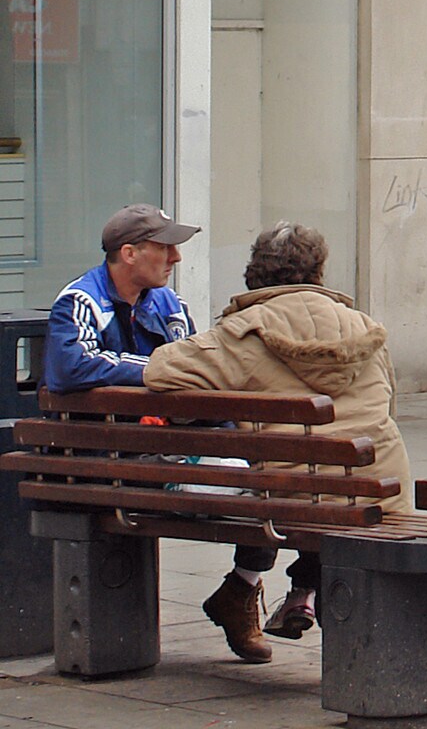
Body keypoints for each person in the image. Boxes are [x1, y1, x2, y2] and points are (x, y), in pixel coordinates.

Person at [142, 222, 411, 664]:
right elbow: (390, 406)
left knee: (299, 487)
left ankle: (269, 591)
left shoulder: (243, 332)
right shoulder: (364, 327)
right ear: (318, 272)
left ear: (255, 274)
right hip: (382, 488)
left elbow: (160, 371)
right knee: (329, 487)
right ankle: (313, 602)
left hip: (292, 493)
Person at [45, 202, 198, 391]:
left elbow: (193, 367)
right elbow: (72, 367)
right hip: (99, 420)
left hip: (165, 418)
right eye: (164, 247)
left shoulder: (171, 303)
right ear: (129, 254)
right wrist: (158, 369)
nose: (176, 257)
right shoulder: (81, 300)